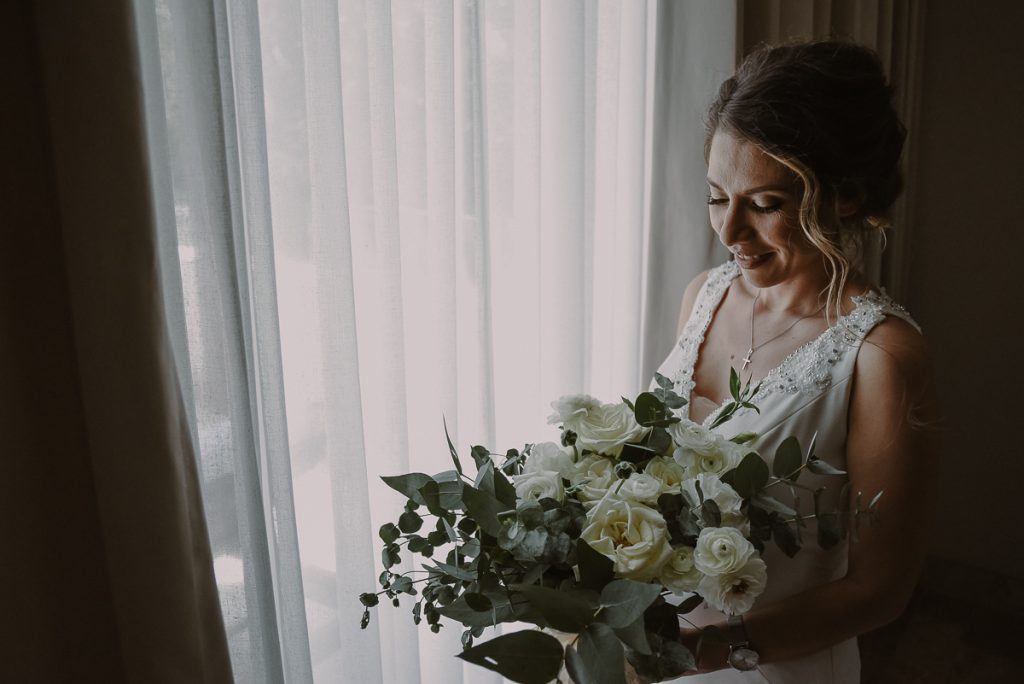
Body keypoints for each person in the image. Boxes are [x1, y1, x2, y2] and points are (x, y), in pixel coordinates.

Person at [642, 40, 937, 683]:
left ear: (847, 196)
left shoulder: (882, 357)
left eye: (766, 204)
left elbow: (880, 591)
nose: (730, 233)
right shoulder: (704, 293)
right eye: (718, 196)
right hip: (654, 647)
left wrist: (704, 652)